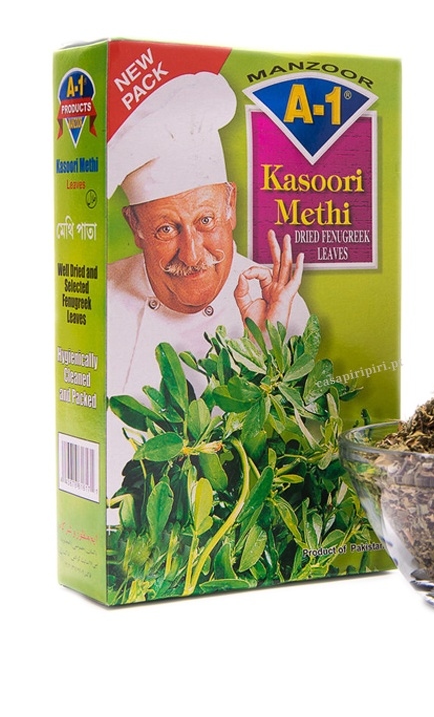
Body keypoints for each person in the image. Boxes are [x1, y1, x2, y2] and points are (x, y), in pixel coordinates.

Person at [106, 71, 309, 499]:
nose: (193, 254)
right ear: (135, 226)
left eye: (205, 220)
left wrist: (265, 343)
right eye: (166, 229)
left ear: (230, 204)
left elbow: (291, 466)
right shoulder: (99, 301)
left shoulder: (279, 303)